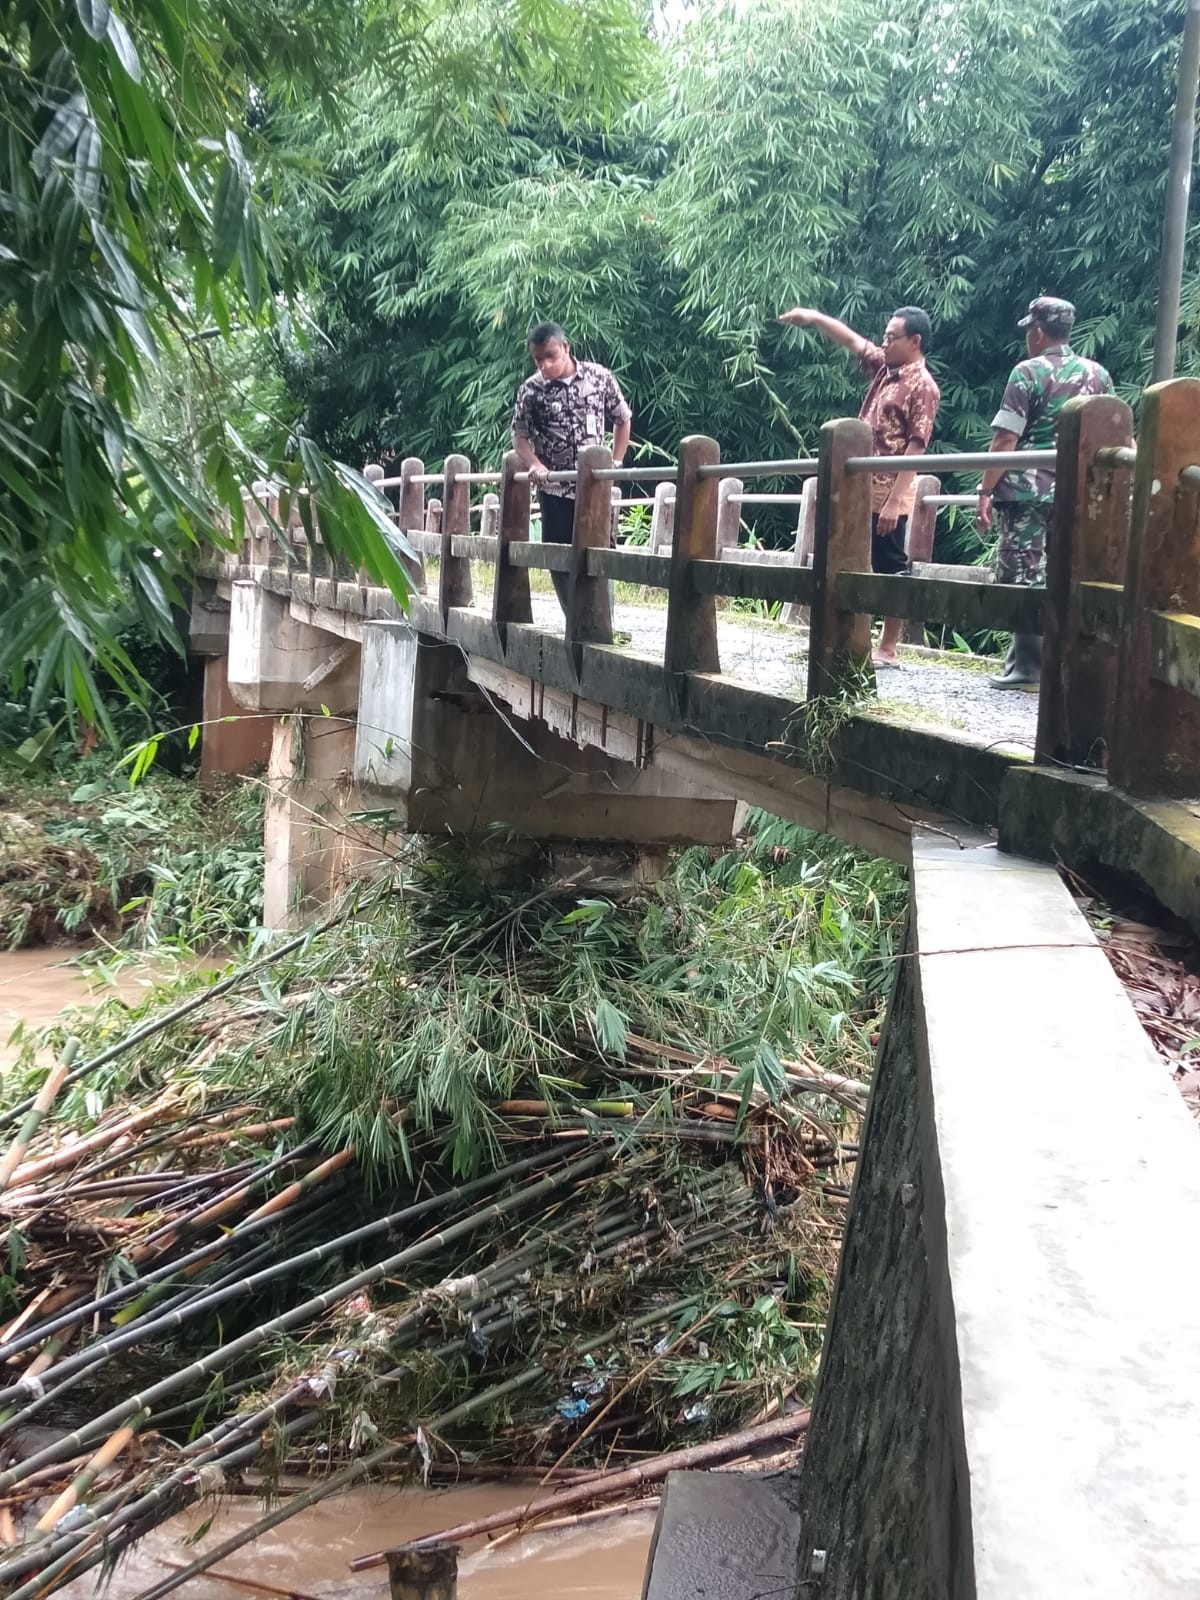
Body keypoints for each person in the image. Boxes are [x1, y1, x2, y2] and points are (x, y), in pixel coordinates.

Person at [778, 304, 940, 667]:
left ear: (915, 341)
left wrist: (895, 501)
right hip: (859, 488)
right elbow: (852, 340)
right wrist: (815, 318)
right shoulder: (886, 368)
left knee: (891, 566)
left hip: (888, 491)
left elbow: (917, 445)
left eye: (892, 337)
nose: (885, 343)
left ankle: (889, 647)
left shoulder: (923, 386)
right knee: (846, 561)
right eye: (884, 336)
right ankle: (843, 640)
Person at [975, 296, 1114, 690]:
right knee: (1065, 572)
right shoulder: (1098, 374)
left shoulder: (1028, 372)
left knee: (1021, 574)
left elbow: (1005, 439)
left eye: (1028, 332)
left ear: (1037, 332)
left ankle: (1028, 670)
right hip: (1077, 492)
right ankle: (1049, 664)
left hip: (1027, 492)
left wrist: (985, 490)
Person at [511, 322, 632, 612]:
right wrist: (535, 464)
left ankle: (605, 620)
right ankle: (574, 618)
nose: (545, 364)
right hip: (554, 487)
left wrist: (615, 463)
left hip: (595, 487)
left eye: (551, 355)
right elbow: (519, 436)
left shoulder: (599, 377)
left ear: (566, 348)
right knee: (559, 554)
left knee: (601, 552)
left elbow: (622, 418)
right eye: (538, 359)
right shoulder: (531, 390)